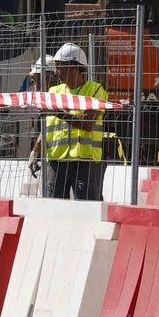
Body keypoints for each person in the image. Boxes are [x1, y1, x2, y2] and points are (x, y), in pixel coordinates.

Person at [30, 42, 108, 201]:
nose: (56, 72)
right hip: (57, 161)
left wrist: (60, 113)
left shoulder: (95, 90)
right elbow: (48, 126)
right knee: (54, 207)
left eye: (59, 67)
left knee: (86, 208)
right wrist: (35, 151)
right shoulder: (54, 92)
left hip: (85, 162)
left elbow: (88, 124)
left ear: (73, 67)